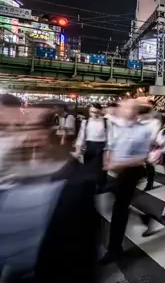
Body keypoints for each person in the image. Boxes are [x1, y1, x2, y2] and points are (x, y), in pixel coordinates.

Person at [0, 94, 98, 281]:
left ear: (47, 132)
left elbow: (81, 255)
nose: (21, 136)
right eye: (7, 128)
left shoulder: (75, 183)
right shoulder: (13, 174)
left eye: (32, 127)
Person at [101, 99, 155, 264]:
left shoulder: (143, 131)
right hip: (119, 170)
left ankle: (114, 249)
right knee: (115, 203)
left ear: (136, 111)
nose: (124, 110)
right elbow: (110, 146)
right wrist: (108, 160)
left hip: (132, 171)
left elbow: (141, 158)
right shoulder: (118, 127)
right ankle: (145, 219)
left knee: (119, 208)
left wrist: (118, 164)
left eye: (129, 108)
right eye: (123, 107)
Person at [75, 103, 109, 193]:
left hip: (102, 148)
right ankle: (89, 190)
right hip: (89, 147)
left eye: (96, 112)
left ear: (100, 111)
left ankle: (102, 190)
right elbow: (81, 136)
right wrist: (78, 150)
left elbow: (111, 138)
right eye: (92, 112)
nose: (94, 114)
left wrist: (108, 152)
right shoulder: (85, 122)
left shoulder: (106, 122)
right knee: (89, 170)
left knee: (101, 172)